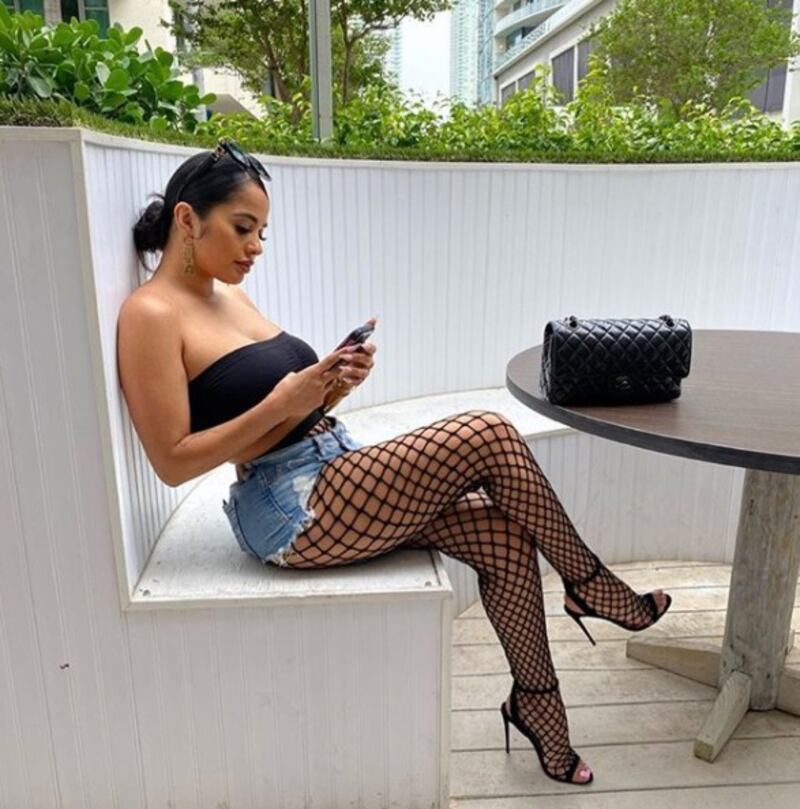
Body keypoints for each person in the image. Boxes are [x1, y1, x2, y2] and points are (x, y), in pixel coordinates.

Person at [119, 139, 672, 787]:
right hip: (287, 504)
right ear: (188, 219)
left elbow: (285, 409)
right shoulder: (150, 315)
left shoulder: (228, 295)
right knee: (489, 432)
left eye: (261, 233)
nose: (256, 247)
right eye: (243, 228)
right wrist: (284, 400)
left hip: (336, 463)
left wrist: (332, 386)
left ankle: (538, 707)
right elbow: (172, 460)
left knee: (503, 539)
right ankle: (590, 584)